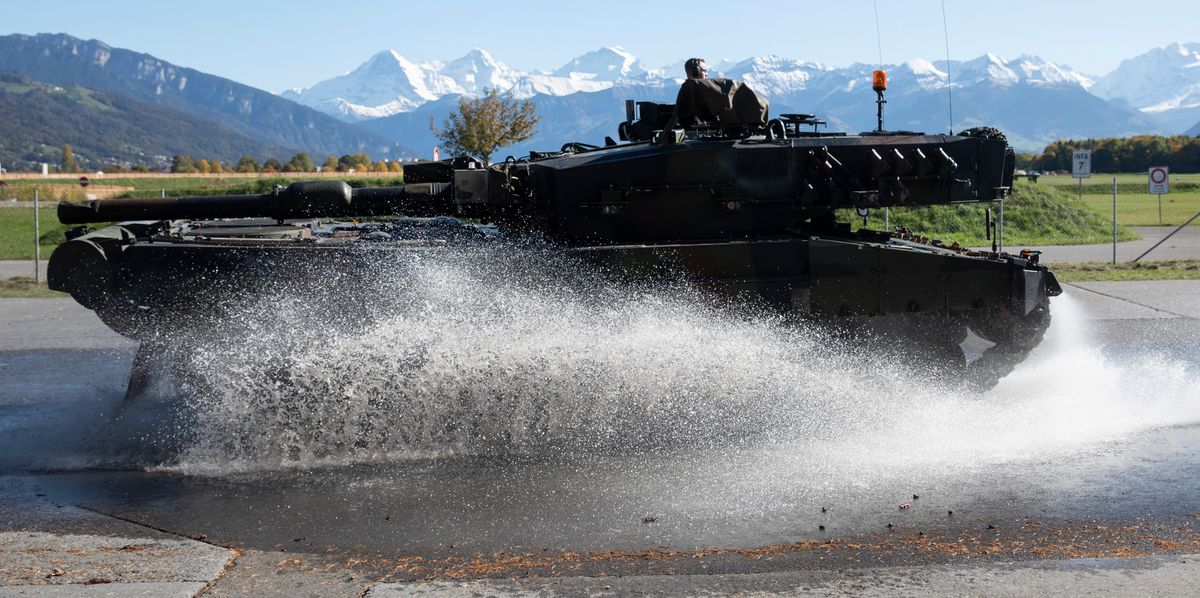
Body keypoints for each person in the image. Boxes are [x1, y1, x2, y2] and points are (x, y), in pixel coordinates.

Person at [659, 58, 768, 140]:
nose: (706, 73)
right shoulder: (693, 87)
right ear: (696, 71)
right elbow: (676, 116)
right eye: (704, 70)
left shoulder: (701, 89)